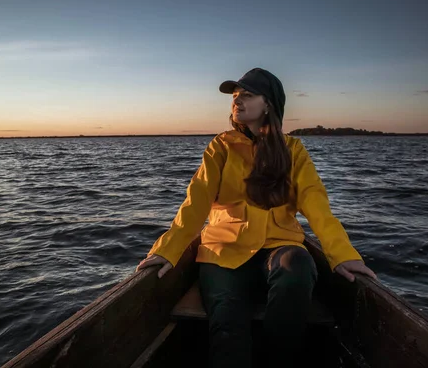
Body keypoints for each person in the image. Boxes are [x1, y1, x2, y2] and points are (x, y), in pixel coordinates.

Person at [136, 67, 376, 368]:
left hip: (279, 247)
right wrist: (166, 250)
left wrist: (342, 254)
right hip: (223, 253)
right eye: (235, 96)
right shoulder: (220, 147)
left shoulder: (293, 151)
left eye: (247, 95)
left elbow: (317, 206)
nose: (237, 101)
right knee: (227, 325)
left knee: (297, 268)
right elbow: (195, 204)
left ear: (269, 104)